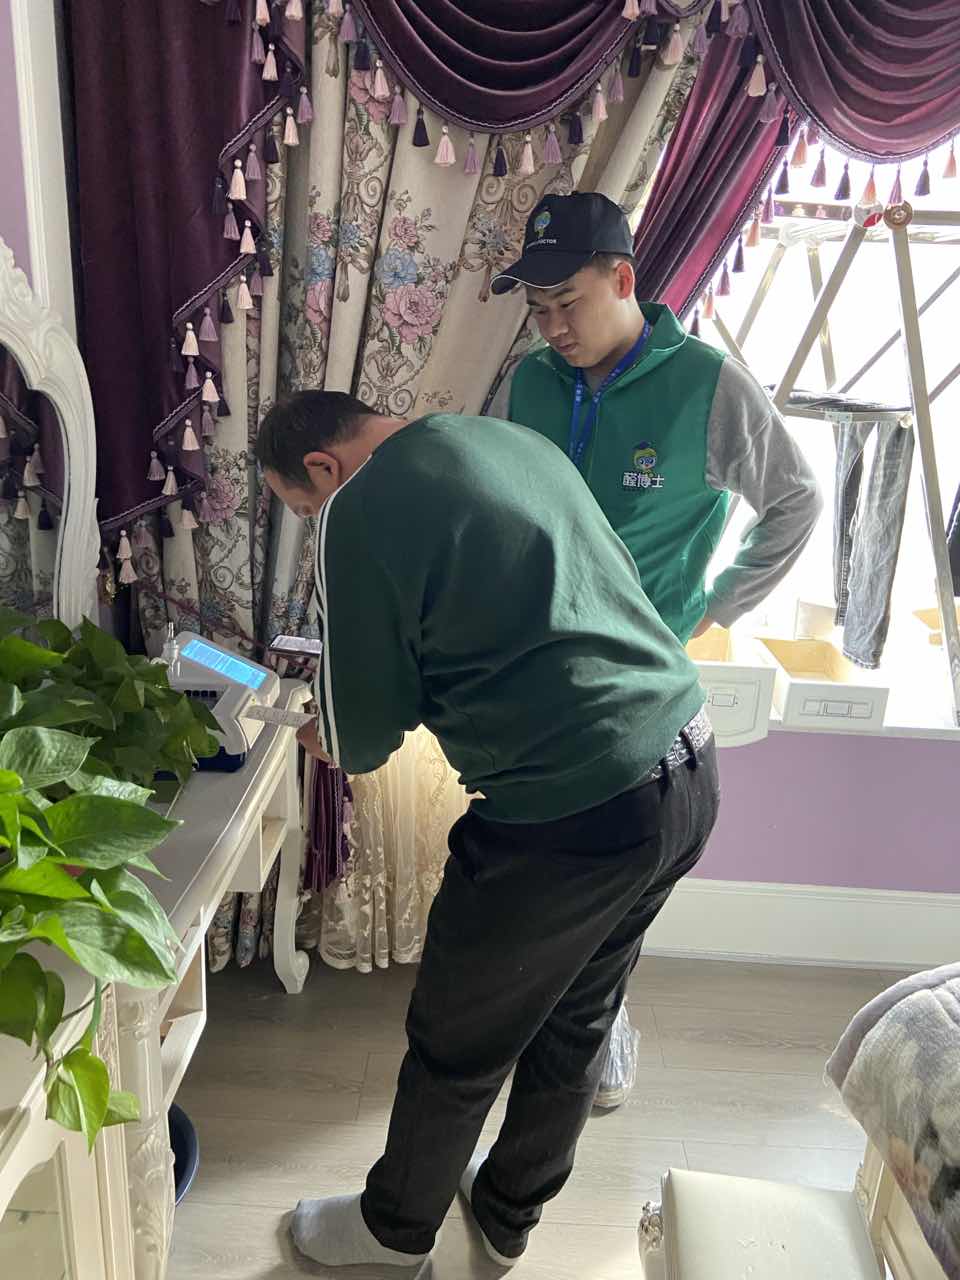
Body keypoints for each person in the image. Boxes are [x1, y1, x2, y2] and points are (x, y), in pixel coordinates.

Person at [255, 390, 720, 1269]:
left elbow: (363, 736)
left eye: (304, 506)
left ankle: (393, 1232)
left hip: (572, 809)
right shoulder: (508, 443)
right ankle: (508, 1215)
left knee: (457, 1038)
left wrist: (331, 730)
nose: (314, 520)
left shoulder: (359, 505)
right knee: (578, 1016)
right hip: (685, 761)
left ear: (322, 466)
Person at [493, 191, 822, 1108]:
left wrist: (716, 607)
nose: (552, 327)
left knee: (615, 874)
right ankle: (540, 1021)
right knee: (536, 864)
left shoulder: (708, 385)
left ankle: (599, 1029)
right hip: (534, 670)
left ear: (622, 279)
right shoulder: (529, 383)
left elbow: (795, 500)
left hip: (639, 684)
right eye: (538, 308)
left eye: (568, 303)